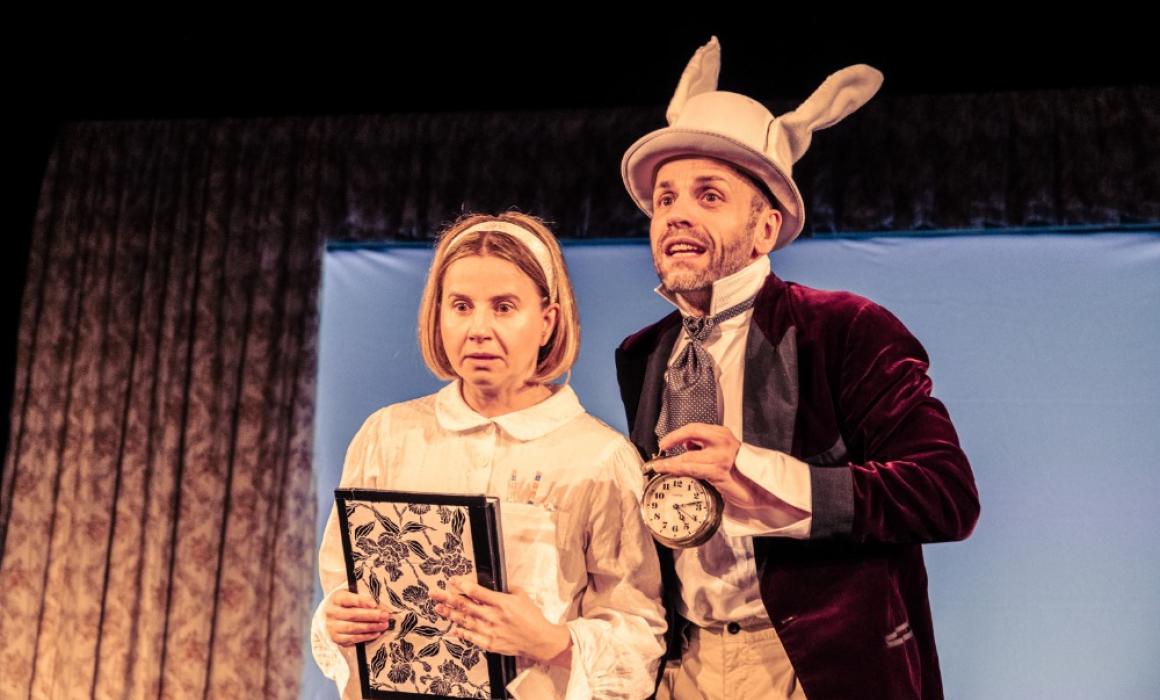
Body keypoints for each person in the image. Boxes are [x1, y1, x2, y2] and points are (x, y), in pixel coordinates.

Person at [614, 38, 980, 699]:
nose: (676, 215)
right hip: (686, 667)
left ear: (765, 228)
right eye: (665, 199)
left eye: (708, 195)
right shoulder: (646, 353)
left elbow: (944, 495)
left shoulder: (845, 328)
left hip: (814, 668)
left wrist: (757, 475)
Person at [311, 212, 666, 699]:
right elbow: (342, 581)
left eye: (504, 307)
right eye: (461, 306)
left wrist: (551, 641)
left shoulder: (598, 458)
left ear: (547, 321)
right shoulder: (388, 436)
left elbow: (638, 633)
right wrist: (338, 617)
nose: (478, 328)